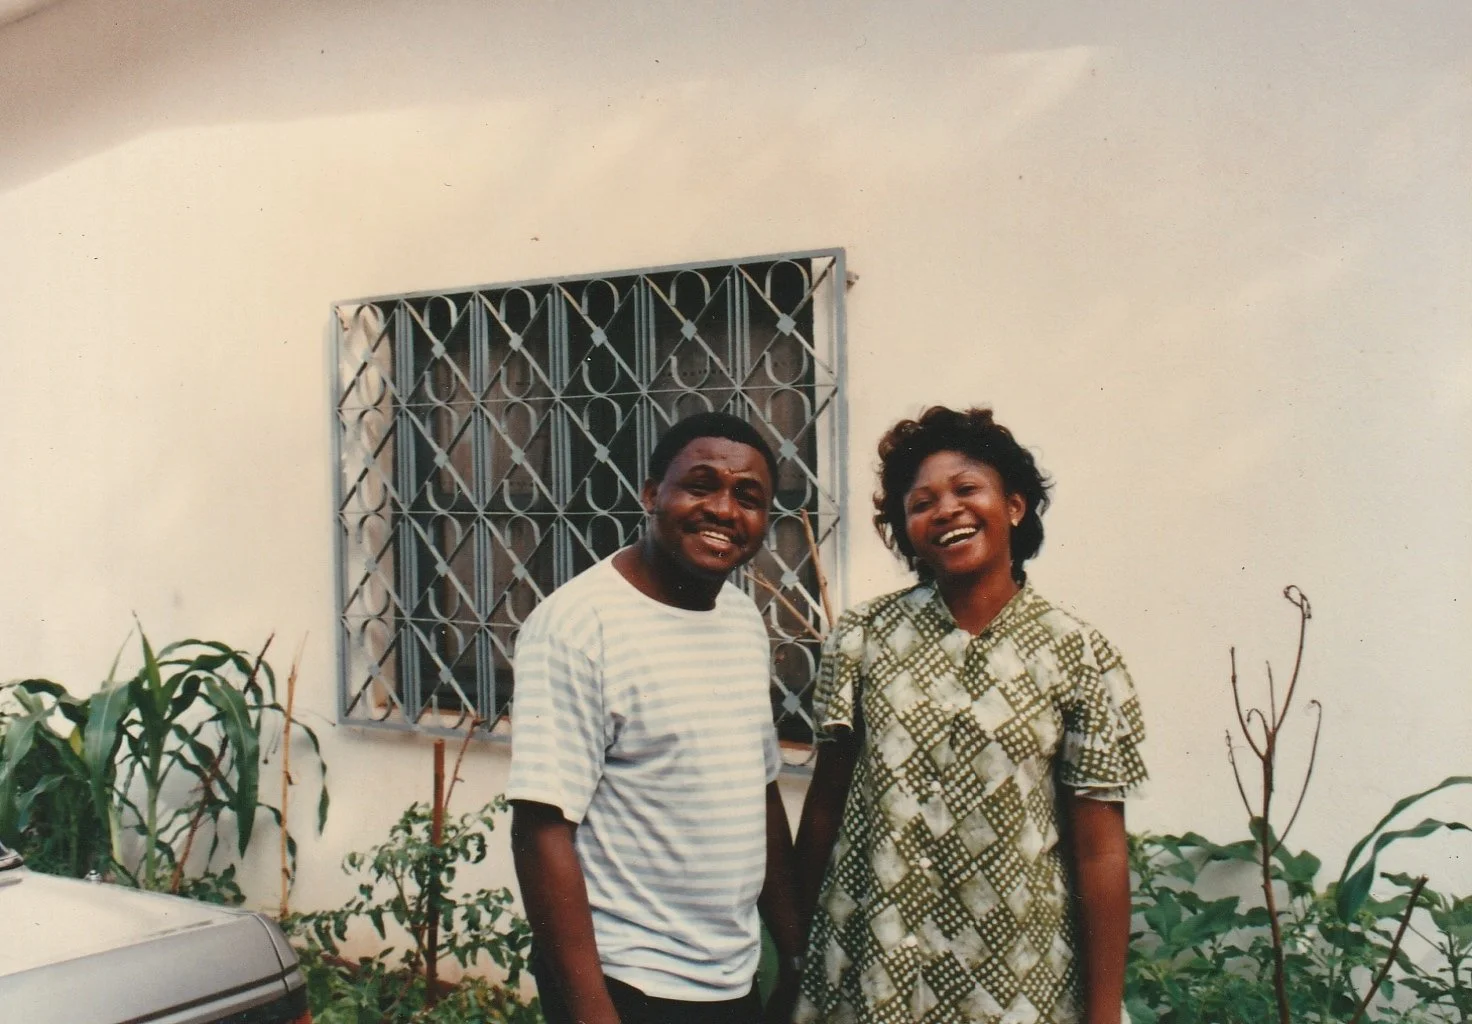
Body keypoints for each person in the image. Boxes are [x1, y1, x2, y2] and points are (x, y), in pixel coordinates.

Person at [792, 407, 1148, 1024]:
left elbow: (1100, 850)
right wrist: (798, 954)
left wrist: (1104, 1012)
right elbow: (827, 803)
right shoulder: (864, 638)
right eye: (921, 502)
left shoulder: (1077, 653)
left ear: (1013, 506)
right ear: (907, 531)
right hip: (868, 969)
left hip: (1016, 980)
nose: (946, 510)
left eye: (965, 490)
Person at [507, 411, 804, 1024]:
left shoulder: (743, 620)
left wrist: (797, 953)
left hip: (731, 976)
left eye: (747, 497)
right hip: (626, 984)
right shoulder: (576, 627)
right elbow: (541, 828)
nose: (724, 509)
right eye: (700, 485)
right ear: (651, 494)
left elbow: (759, 791)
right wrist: (593, 1011)